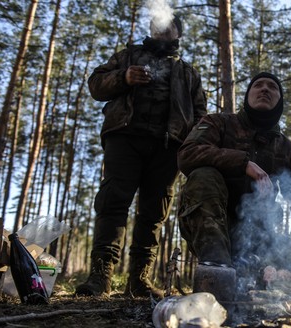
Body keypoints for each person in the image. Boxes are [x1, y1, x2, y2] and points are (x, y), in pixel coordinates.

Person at [75, 14, 207, 298]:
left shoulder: (188, 72)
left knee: (153, 214)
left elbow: (200, 116)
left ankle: (139, 281)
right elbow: (95, 85)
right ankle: (100, 278)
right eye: (157, 22)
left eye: (168, 24)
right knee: (112, 204)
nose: (160, 27)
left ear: (177, 33)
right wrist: (123, 77)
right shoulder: (127, 56)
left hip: (168, 148)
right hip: (124, 138)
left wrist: (193, 148)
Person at [176, 72, 291, 303]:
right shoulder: (219, 123)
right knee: (204, 175)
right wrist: (243, 163)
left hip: (257, 238)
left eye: (272, 87)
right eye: (258, 85)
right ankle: (217, 273)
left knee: (273, 285)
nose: (264, 89)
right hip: (210, 227)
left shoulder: (287, 148)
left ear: (279, 100)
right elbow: (187, 154)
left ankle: (255, 277)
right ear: (247, 95)